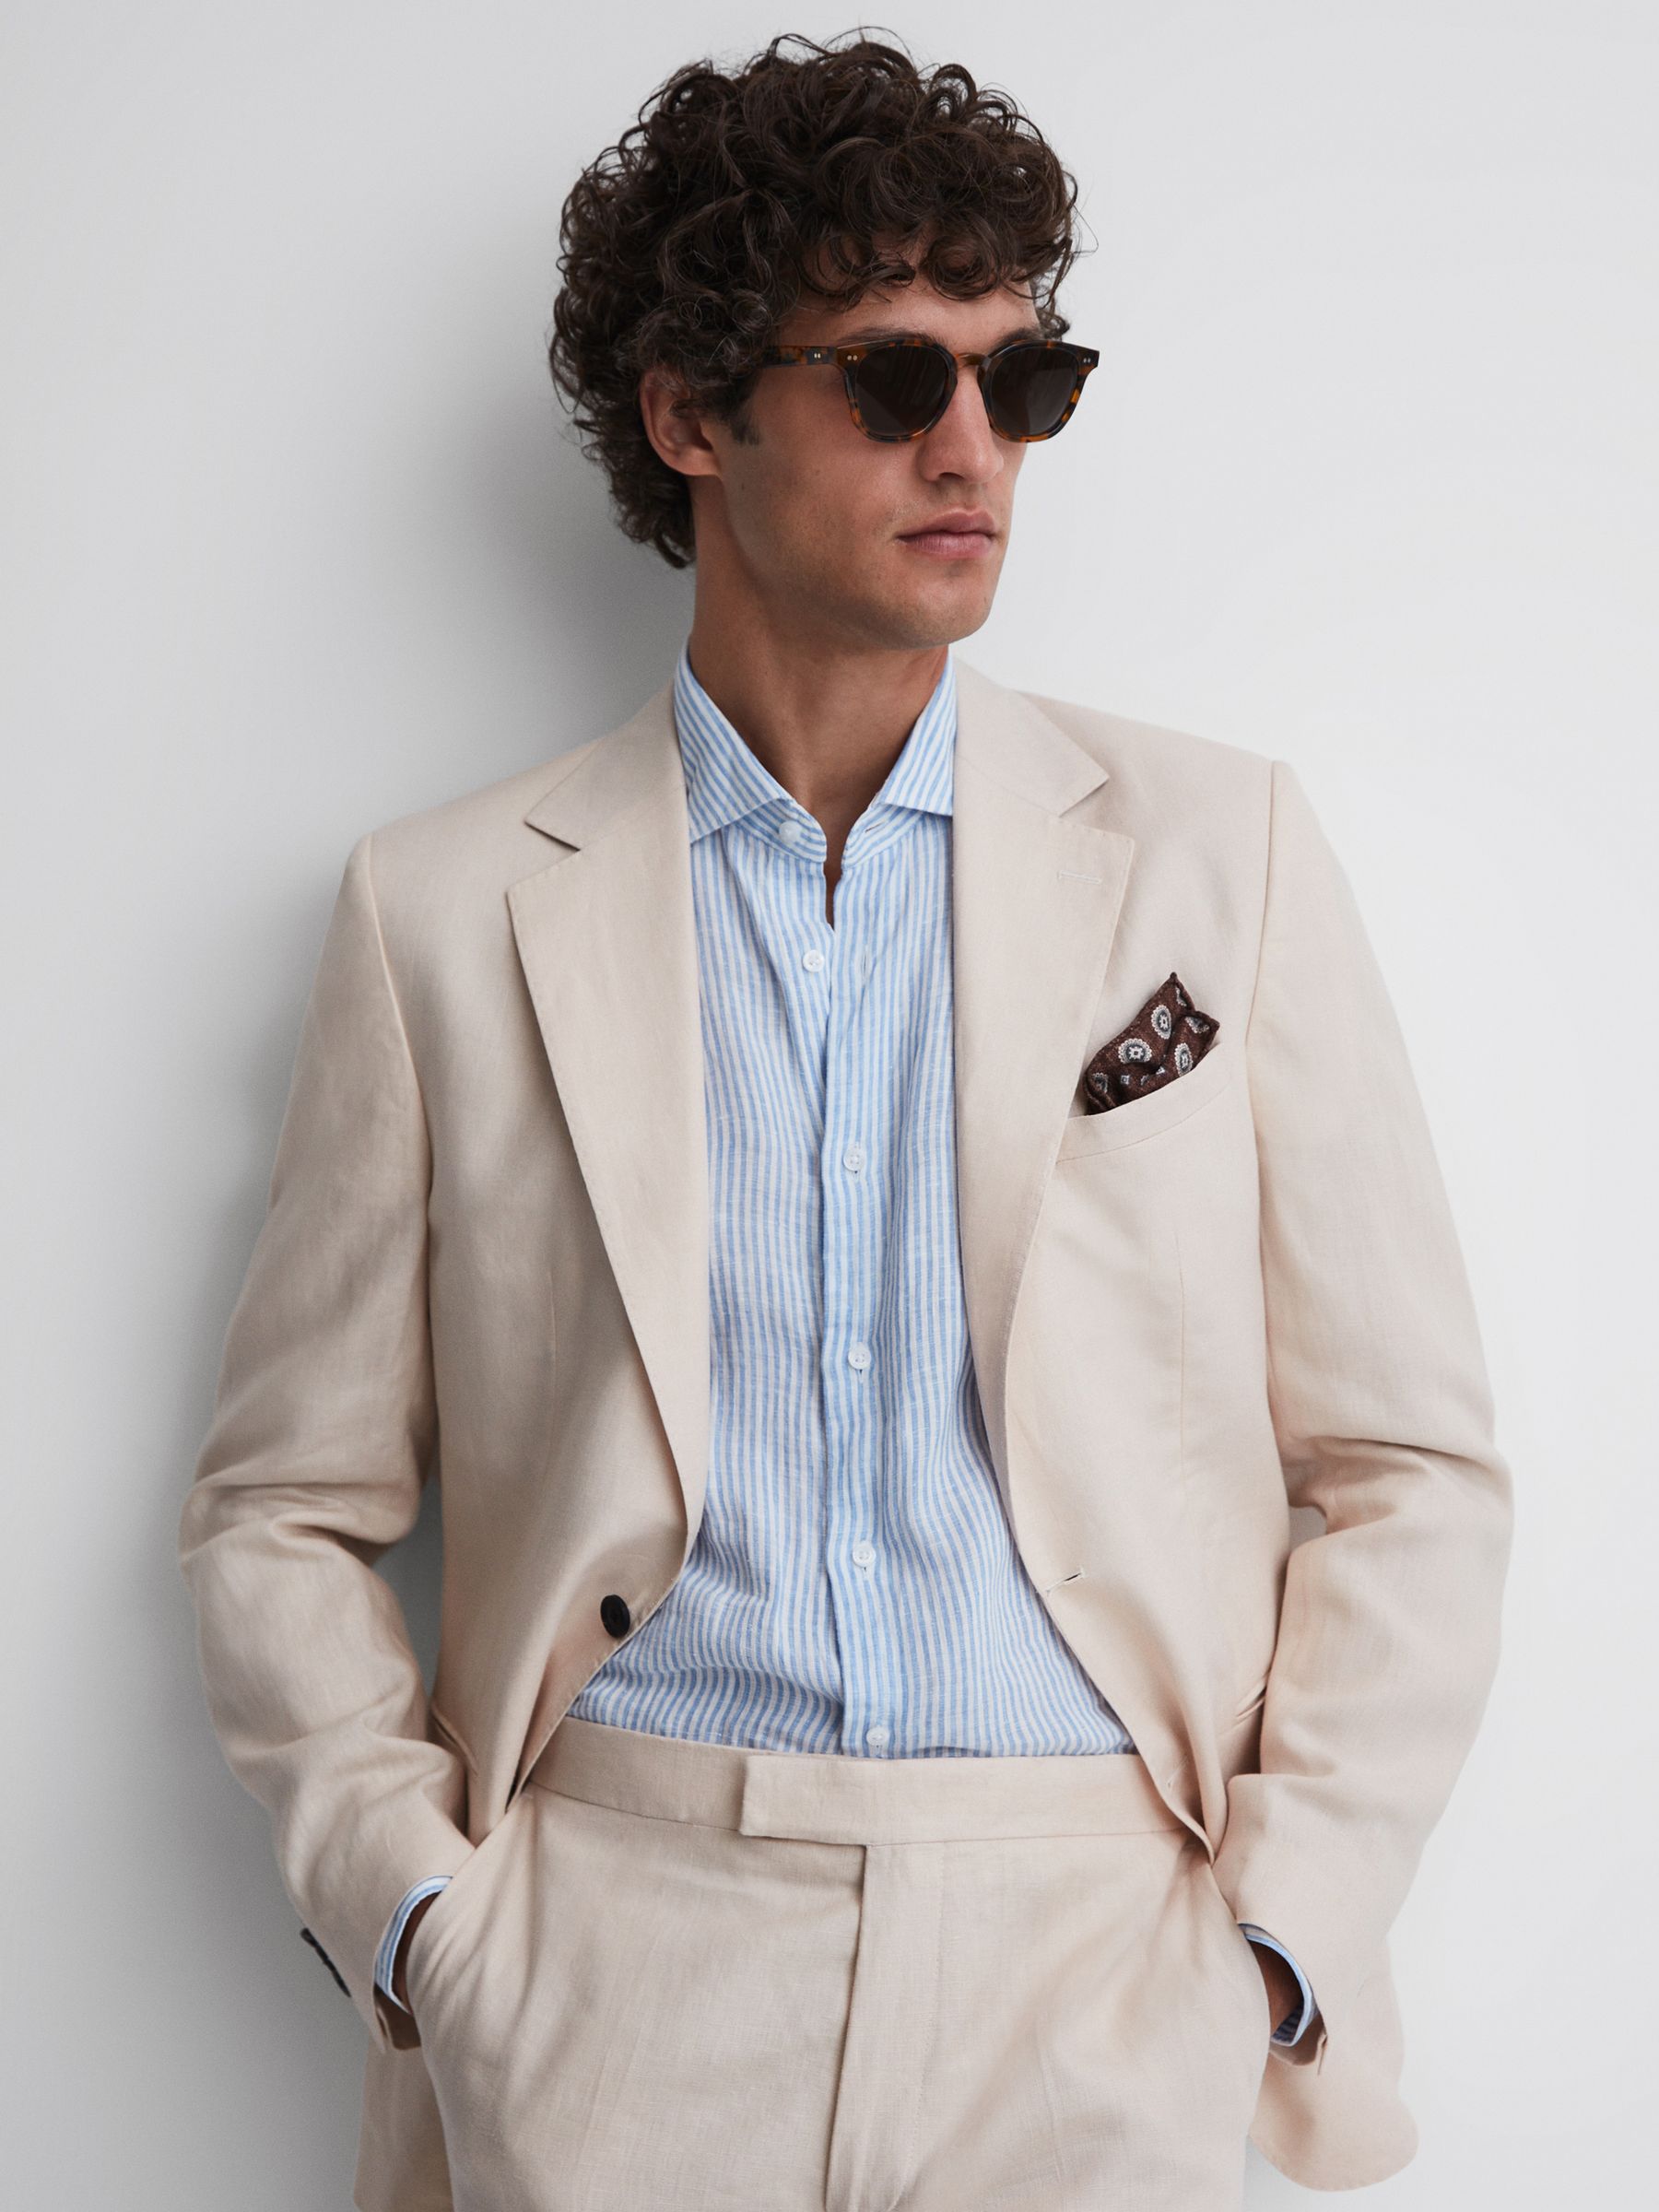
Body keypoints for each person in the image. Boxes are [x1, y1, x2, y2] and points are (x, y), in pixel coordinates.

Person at [180, 29, 1512, 2211]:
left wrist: (1272, 1935)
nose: (974, 446)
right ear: (691, 417)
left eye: (1024, 380)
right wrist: (426, 1920)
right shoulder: (443, 911)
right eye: (896, 380)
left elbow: (1408, 1464)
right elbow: (284, 1503)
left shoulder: (1220, 856)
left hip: (1099, 1963)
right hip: (617, 1967)